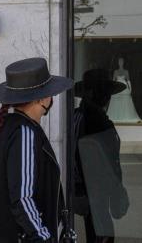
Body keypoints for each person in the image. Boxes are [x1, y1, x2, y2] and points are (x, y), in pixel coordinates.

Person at [0, 57, 73, 243]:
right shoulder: (24, 133)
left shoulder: (15, 128)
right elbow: (23, 198)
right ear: (41, 98)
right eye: (50, 92)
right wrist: (43, 237)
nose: (52, 97)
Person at [74, 69, 129, 243]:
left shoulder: (76, 116)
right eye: (105, 93)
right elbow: (110, 164)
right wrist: (117, 192)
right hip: (96, 194)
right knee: (103, 234)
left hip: (84, 191)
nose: (108, 98)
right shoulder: (100, 124)